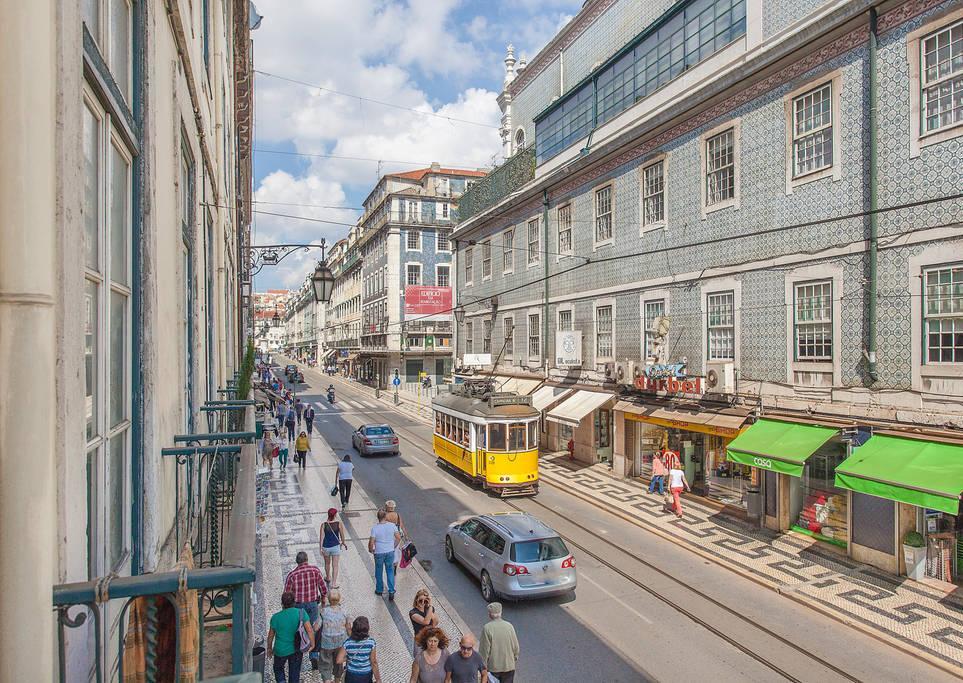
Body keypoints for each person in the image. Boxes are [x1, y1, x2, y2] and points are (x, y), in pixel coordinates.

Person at [284, 551, 327, 669]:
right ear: (307, 559)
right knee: (314, 628)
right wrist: (323, 599)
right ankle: (314, 655)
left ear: (297, 562)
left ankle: (298, 655)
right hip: (313, 605)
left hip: (297, 607)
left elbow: (287, 594)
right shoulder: (315, 570)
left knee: (299, 630)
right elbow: (323, 589)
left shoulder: (292, 575)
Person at [267, 591, 314, 683]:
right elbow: (309, 630)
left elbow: (271, 635)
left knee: (278, 668)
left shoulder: (276, 617)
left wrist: (269, 648)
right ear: (294, 602)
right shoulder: (301, 613)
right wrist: (312, 644)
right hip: (296, 648)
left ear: (282, 603)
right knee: (294, 672)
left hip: (280, 650)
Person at [479, 602, 519, 683]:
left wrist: (483, 667)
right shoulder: (509, 626)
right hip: (509, 666)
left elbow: (484, 650)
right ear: (501, 613)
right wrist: (514, 658)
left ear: (490, 614)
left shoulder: (487, 628)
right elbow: (516, 647)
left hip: (494, 668)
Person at [318, 590, 352, 683]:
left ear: (329, 599)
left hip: (326, 643)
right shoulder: (345, 612)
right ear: (339, 599)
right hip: (340, 643)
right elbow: (349, 629)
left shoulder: (323, 611)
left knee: (325, 665)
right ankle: (337, 681)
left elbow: (316, 627)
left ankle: (327, 680)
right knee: (338, 663)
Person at [337, 616, 381, 683]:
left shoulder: (347, 643)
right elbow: (373, 662)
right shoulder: (371, 643)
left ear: (353, 628)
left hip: (351, 674)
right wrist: (378, 679)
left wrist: (348, 658)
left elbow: (338, 660)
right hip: (366, 674)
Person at [368, 509, 401, 600]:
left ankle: (379, 589)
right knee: (390, 571)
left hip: (379, 552)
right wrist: (393, 547)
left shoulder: (375, 528)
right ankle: (391, 590)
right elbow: (398, 538)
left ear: (378, 517)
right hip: (390, 552)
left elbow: (371, 541)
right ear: (385, 516)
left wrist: (371, 550)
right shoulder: (392, 526)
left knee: (378, 571)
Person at [320, 508, 348, 588]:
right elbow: (342, 535)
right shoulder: (339, 523)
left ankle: (328, 577)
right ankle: (334, 583)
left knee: (327, 563)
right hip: (335, 546)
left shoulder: (324, 524)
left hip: (326, 547)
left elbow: (321, 538)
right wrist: (343, 542)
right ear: (335, 515)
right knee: (335, 565)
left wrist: (320, 548)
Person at [409, 589, 440, 655]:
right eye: (420, 600)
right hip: (420, 641)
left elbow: (436, 622)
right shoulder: (413, 613)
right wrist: (430, 608)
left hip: (430, 639)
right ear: (416, 599)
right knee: (419, 662)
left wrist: (429, 607)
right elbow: (425, 622)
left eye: (425, 601)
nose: (423, 603)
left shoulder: (428, 609)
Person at [383, 500, 408, 571]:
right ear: (393, 508)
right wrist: (406, 536)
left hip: (388, 535)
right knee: (396, 550)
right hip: (397, 535)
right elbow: (402, 526)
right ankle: (394, 569)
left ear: (387, 507)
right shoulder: (397, 515)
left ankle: (388, 564)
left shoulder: (385, 515)